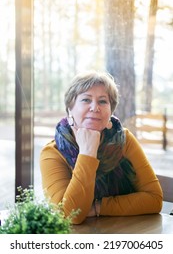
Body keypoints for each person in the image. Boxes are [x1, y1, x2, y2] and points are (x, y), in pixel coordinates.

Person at [40, 70, 163, 224]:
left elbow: (154, 199)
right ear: (70, 109)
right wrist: (87, 153)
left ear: (111, 111)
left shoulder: (125, 140)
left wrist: (98, 207)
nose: (95, 107)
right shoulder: (52, 152)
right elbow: (68, 215)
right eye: (86, 100)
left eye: (103, 101)